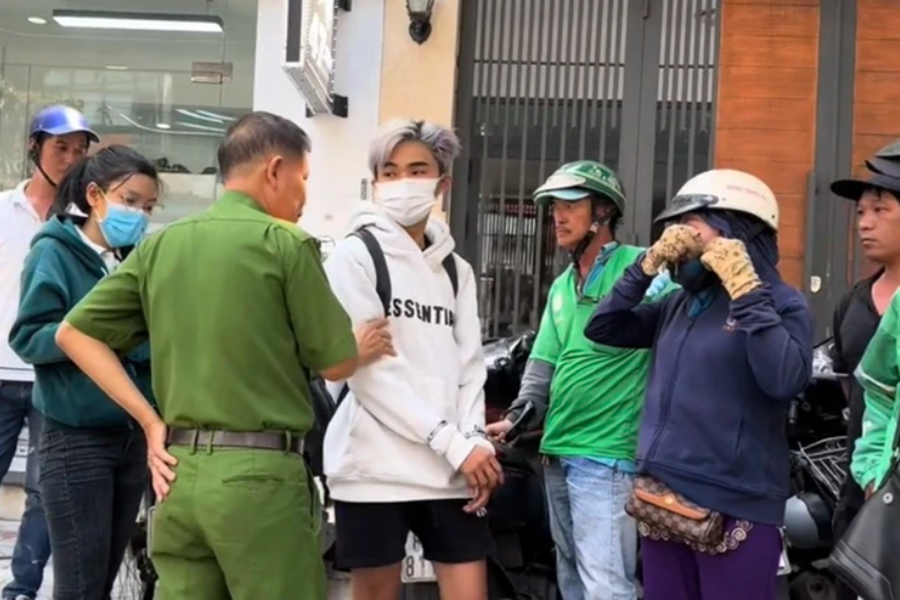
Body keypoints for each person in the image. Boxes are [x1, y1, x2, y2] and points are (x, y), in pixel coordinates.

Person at [52, 111, 360, 600]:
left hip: (178, 475)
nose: (304, 196)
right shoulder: (286, 244)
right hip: (261, 479)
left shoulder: (162, 246)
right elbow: (337, 363)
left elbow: (73, 334)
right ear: (275, 170)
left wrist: (150, 421)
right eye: (303, 179)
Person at [585, 169, 814, 600]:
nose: (679, 242)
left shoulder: (783, 303)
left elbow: (784, 378)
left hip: (735, 505)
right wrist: (644, 267)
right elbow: (603, 327)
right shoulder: (678, 303)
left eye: (691, 228)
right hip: (663, 500)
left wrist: (746, 292)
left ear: (737, 232)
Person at [322, 119, 501, 600]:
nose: (402, 182)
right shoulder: (354, 257)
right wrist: (452, 443)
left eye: (417, 170)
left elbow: (469, 367)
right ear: (375, 182)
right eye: (390, 171)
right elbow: (370, 376)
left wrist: (474, 441)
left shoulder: (457, 271)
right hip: (372, 469)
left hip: (450, 471)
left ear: (442, 184)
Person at [484, 160, 673, 600]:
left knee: (605, 587)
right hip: (557, 452)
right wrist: (516, 419)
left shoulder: (641, 269)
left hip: (608, 455)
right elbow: (542, 365)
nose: (558, 216)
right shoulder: (562, 286)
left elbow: (684, 323)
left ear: (603, 212)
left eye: (571, 205)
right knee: (571, 583)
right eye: (555, 207)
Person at [8, 145, 159, 599]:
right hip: (76, 438)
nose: (139, 215)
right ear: (94, 196)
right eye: (130, 201)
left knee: (103, 578)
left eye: (149, 207)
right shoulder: (53, 253)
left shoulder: (135, 260)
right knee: (80, 584)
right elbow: (29, 335)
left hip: (131, 435)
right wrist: (95, 339)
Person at [0, 104, 98, 600]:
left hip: (53, 375)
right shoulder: (3, 210)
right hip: (0, 369)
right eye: (61, 147)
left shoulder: (87, 223)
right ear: (33, 147)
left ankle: (22, 588)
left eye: (79, 150)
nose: (70, 158)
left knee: (44, 489)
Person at [828, 152, 900, 600]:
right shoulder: (851, 303)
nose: (865, 224)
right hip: (862, 492)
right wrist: (870, 469)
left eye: (880, 210)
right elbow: (853, 389)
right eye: (861, 213)